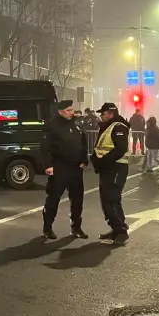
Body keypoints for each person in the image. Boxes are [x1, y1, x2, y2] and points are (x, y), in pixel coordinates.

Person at [39, 99, 89, 240]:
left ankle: (76, 227)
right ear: (60, 111)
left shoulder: (76, 123)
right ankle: (47, 228)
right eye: (68, 110)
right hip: (60, 167)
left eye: (72, 110)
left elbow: (83, 143)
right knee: (53, 199)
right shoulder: (52, 125)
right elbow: (44, 147)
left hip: (76, 168)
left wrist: (84, 160)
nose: (71, 113)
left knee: (77, 199)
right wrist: (48, 165)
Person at [91, 102, 131, 245]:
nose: (101, 116)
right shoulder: (108, 126)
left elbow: (120, 149)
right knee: (108, 199)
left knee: (111, 199)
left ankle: (120, 231)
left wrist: (102, 162)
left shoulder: (118, 127)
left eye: (103, 113)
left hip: (115, 168)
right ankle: (116, 229)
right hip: (108, 168)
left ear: (110, 114)